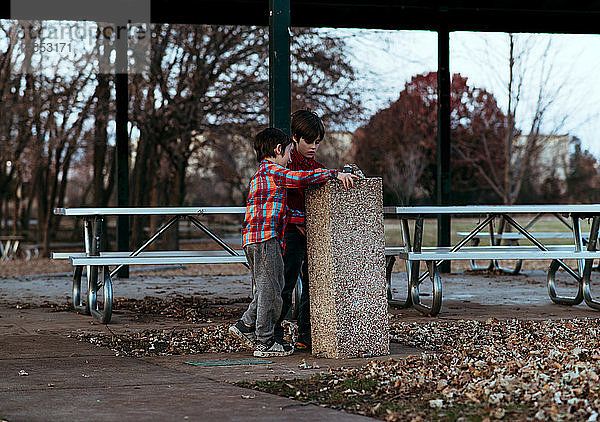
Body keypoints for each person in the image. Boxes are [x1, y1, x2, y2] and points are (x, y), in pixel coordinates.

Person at [229, 127, 357, 357]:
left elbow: (284, 211)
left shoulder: (261, 173)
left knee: (269, 287)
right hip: (265, 240)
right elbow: (301, 179)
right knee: (271, 291)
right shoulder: (274, 172)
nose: (290, 159)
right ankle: (264, 342)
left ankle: (244, 325)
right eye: (289, 153)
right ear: (278, 150)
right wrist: (334, 174)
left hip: (255, 240)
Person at [273, 109, 328, 351]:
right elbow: (283, 198)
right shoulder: (285, 164)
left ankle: (306, 332)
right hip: (290, 234)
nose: (313, 146)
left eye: (317, 142)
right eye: (309, 141)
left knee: (312, 283)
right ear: (295, 137)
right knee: (286, 283)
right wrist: (299, 222)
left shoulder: (317, 166)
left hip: (312, 234)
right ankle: (272, 332)